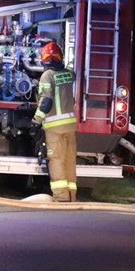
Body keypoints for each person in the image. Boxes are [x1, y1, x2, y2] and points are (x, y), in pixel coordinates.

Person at [31, 41, 78, 202]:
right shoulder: (70, 74)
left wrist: (36, 121)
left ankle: (61, 197)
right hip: (70, 127)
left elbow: (46, 102)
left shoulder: (47, 75)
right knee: (69, 161)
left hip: (54, 128)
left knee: (56, 161)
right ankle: (71, 196)